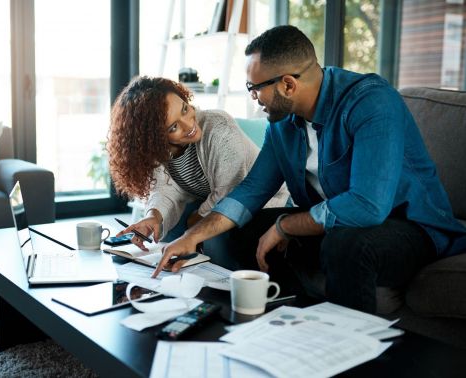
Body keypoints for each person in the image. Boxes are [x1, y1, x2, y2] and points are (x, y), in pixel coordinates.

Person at [153, 25, 466, 313]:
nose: (252, 97)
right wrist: (193, 236)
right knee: (233, 233)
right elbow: (251, 191)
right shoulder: (282, 124)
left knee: (345, 244)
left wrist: (285, 226)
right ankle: (281, 318)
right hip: (338, 226)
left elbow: (368, 207)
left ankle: (347, 350)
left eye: (254, 87)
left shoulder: (371, 102)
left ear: (288, 84)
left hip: (411, 228)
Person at [107, 76, 288, 270]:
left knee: (208, 238)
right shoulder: (160, 150)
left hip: (260, 200)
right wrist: (153, 217)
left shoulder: (219, 127)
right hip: (210, 200)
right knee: (167, 234)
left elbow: (230, 193)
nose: (188, 125)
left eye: (185, 109)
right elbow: (165, 190)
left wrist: (194, 226)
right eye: (174, 127)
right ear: (155, 139)